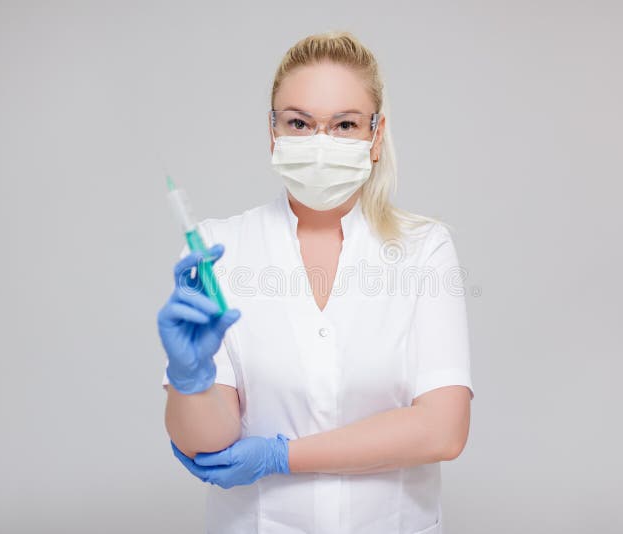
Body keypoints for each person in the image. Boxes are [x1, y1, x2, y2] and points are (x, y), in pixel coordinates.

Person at [157, 30, 474, 534]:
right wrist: (190, 379)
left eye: (345, 124)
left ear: (376, 135)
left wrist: (283, 456)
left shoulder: (424, 249)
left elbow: (443, 429)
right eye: (299, 123)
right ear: (272, 133)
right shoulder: (217, 252)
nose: (320, 143)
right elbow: (209, 447)